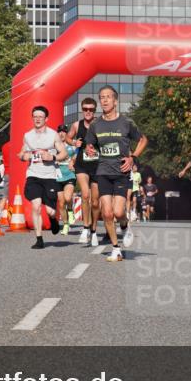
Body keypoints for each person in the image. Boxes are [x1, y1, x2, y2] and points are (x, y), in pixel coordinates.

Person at [84, 85, 147, 262]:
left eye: (108, 97)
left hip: (121, 172)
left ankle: (125, 226)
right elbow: (90, 145)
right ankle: (115, 248)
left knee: (119, 212)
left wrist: (133, 157)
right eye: (101, 97)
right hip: (103, 171)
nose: (104, 100)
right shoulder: (96, 124)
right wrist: (89, 150)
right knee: (107, 213)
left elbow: (143, 140)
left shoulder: (126, 123)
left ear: (115, 101)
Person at [20, 105, 68, 249]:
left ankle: (53, 220)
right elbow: (22, 153)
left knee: (50, 211)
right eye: (35, 116)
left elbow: (64, 153)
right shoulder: (27, 136)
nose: (37, 119)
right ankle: (39, 239)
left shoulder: (53, 135)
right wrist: (25, 156)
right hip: (33, 175)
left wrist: (52, 156)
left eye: (40, 116)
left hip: (49, 176)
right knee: (36, 206)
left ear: (46, 119)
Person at [68, 97, 102, 246]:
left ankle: (94, 230)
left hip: (98, 165)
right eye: (85, 109)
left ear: (95, 111)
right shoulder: (77, 124)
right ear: (82, 110)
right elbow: (68, 138)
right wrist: (74, 142)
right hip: (82, 164)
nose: (88, 112)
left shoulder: (101, 124)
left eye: (91, 109)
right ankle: (85, 228)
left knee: (95, 202)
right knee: (85, 195)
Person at [55, 124, 77, 235]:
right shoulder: (54, 146)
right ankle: (65, 224)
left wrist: (73, 161)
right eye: (59, 132)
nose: (61, 133)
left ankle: (70, 210)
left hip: (69, 175)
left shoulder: (71, 145)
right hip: (58, 176)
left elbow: (78, 153)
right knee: (61, 203)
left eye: (64, 131)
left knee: (68, 197)